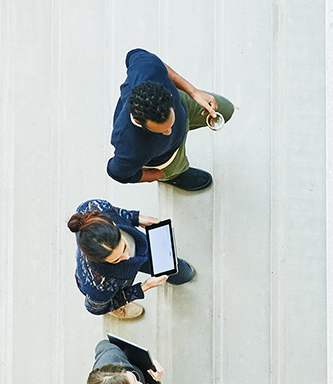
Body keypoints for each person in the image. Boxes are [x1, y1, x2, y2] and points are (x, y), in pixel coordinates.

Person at [106, 48, 235, 191]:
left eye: (170, 125)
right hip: (167, 156)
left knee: (226, 109)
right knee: (176, 168)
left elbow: (148, 61)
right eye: (162, 130)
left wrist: (193, 92)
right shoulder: (129, 145)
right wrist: (159, 174)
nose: (169, 132)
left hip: (182, 106)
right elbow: (117, 173)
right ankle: (174, 176)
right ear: (138, 122)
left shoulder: (148, 68)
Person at [68, 199, 193, 319]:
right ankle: (116, 307)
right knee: (109, 300)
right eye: (116, 260)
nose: (127, 258)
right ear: (98, 260)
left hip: (140, 247)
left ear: (113, 224)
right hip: (111, 284)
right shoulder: (100, 287)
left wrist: (136, 218)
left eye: (124, 248)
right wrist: (143, 287)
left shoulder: (93, 207)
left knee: (184, 274)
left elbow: (115, 211)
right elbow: (95, 308)